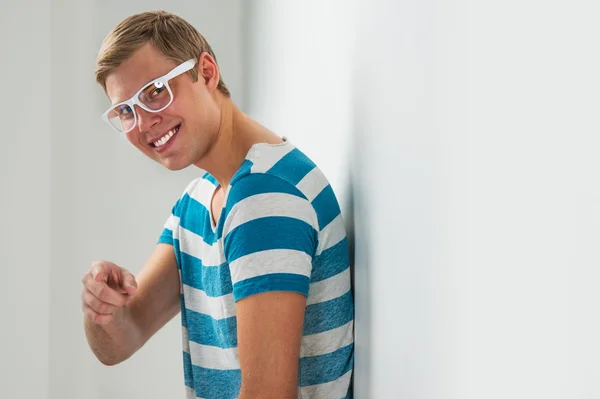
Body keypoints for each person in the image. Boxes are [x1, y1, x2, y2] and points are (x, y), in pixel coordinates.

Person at [81, 10, 354, 399]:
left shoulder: (265, 198)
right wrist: (102, 310)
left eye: (156, 91)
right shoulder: (197, 200)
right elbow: (121, 341)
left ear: (206, 72)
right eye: (126, 110)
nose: (143, 123)